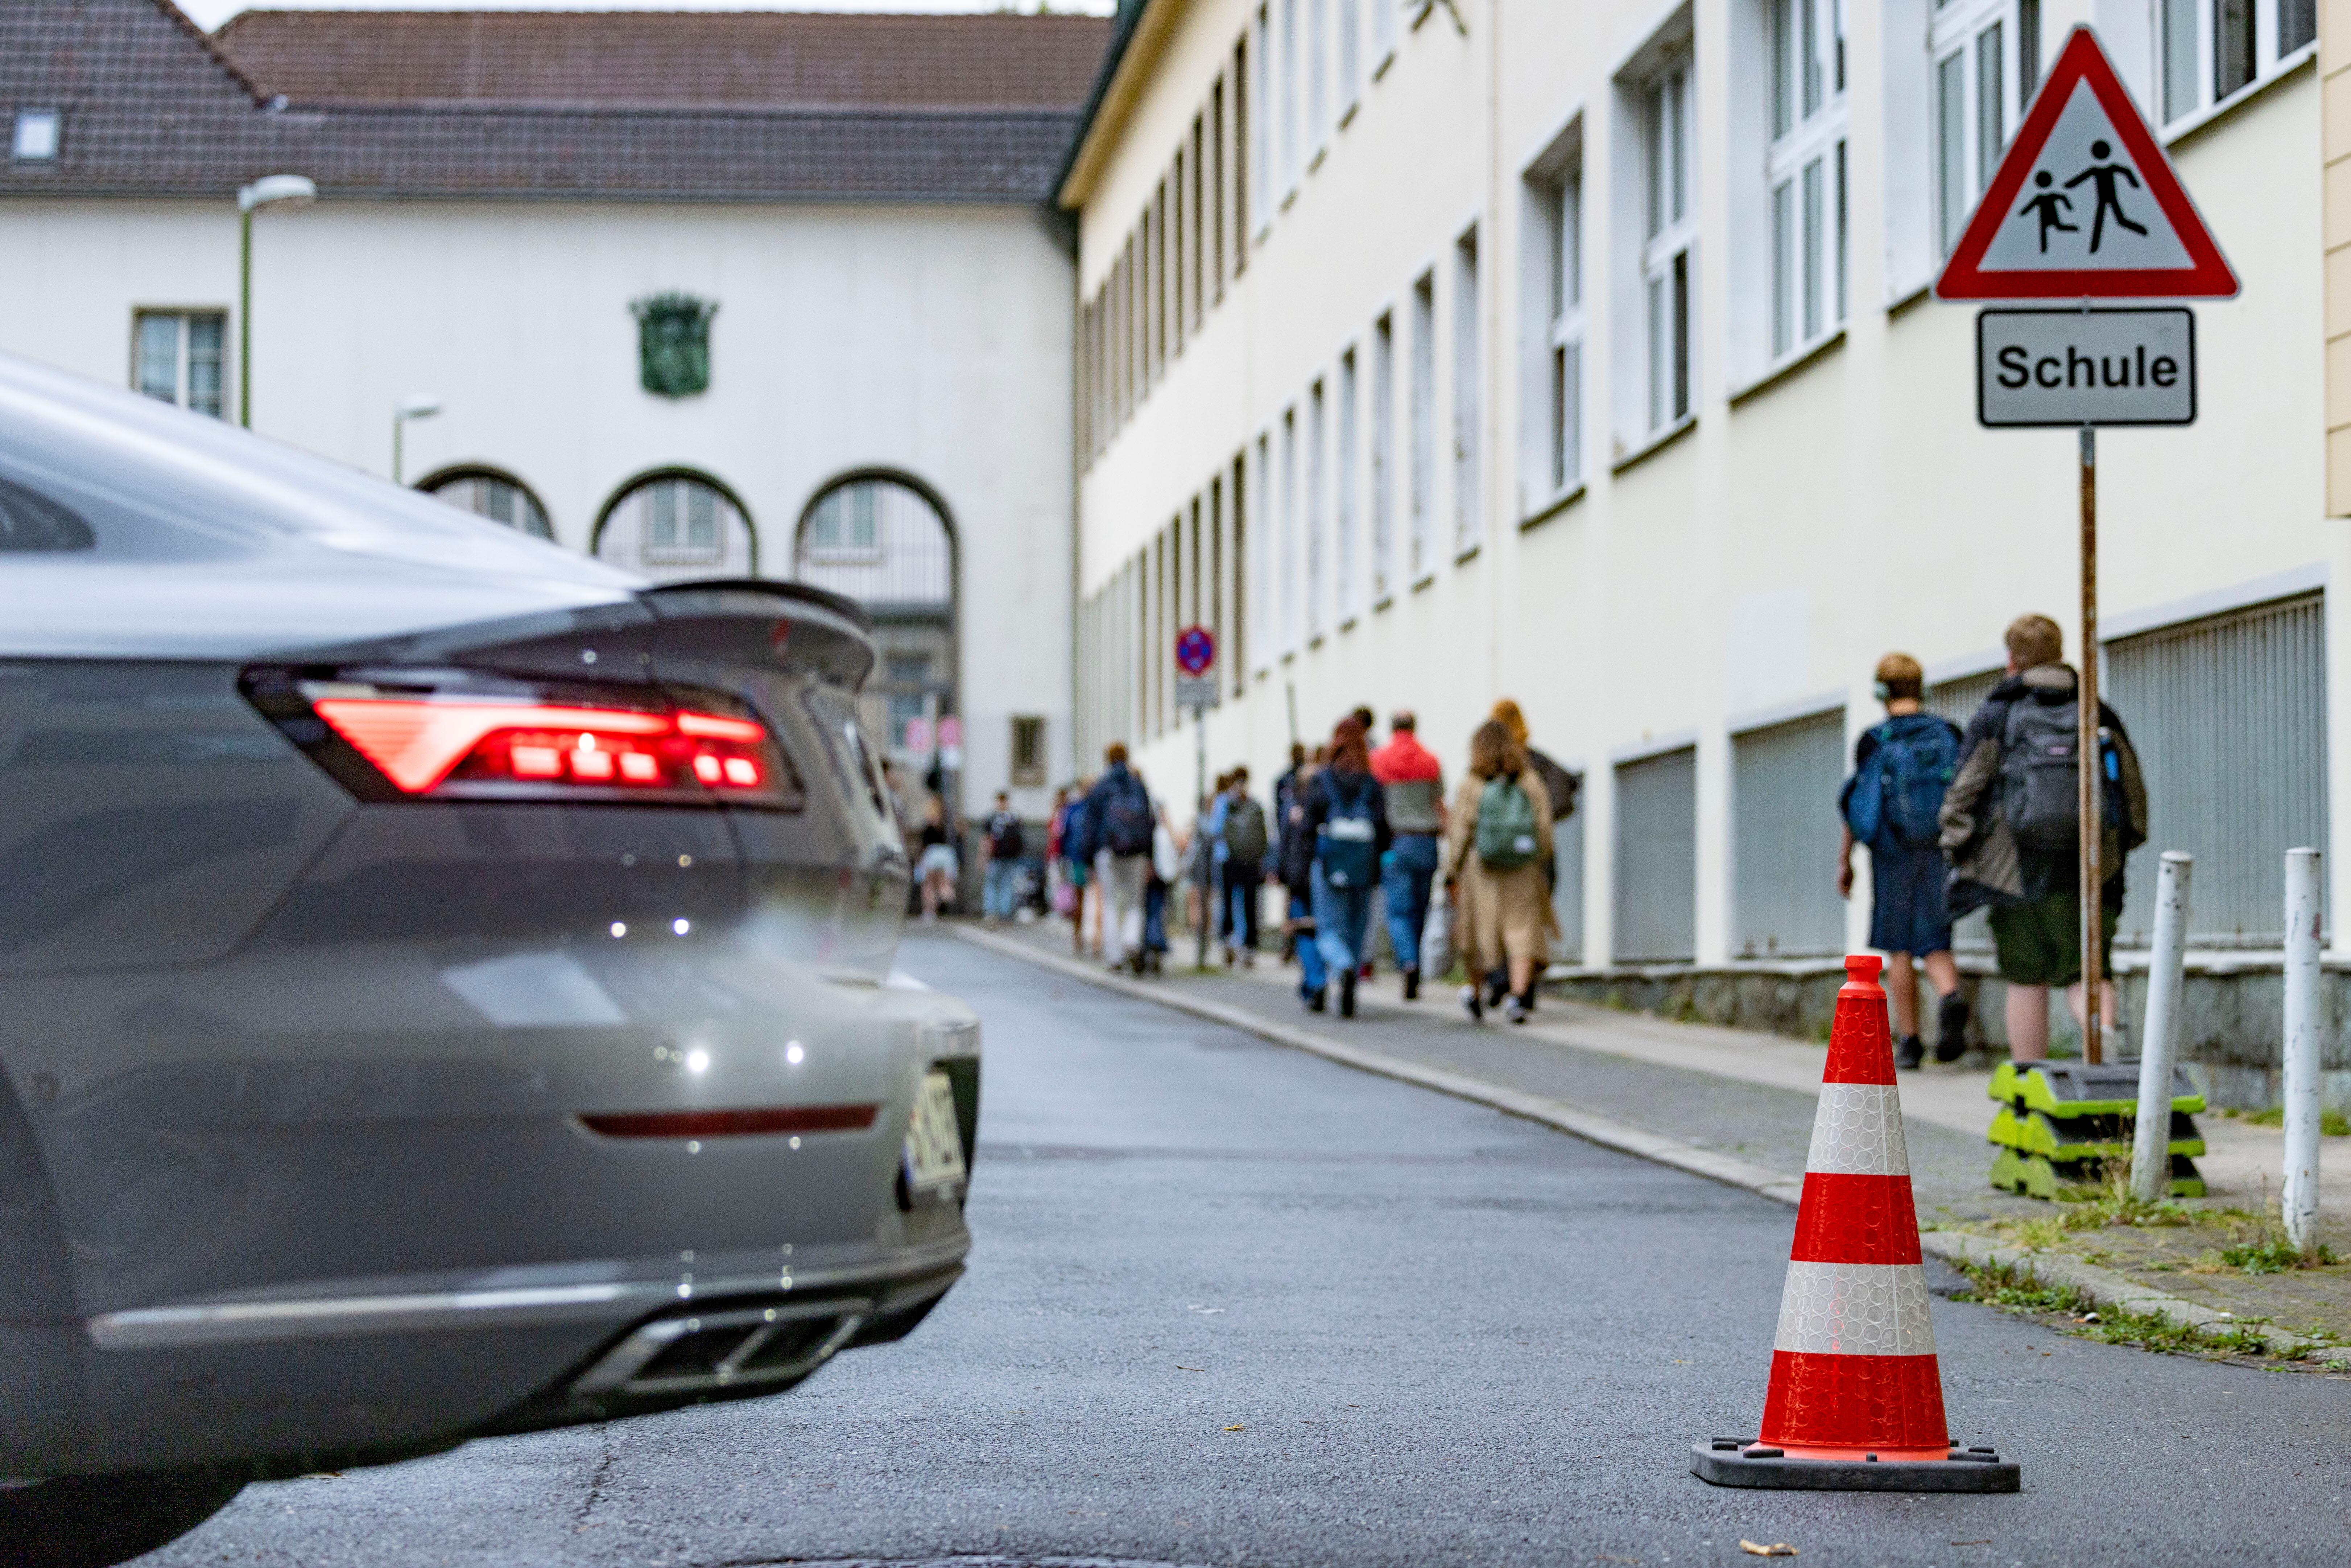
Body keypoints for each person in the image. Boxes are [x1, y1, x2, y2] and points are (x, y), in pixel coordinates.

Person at [1939, 614, 2148, 1063]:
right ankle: (2104, 1041)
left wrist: (1960, 850)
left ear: (2011, 659)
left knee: (2025, 978)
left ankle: (2026, 1079)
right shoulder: (2094, 708)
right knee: (2089, 972)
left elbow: (1963, 790)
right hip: (2087, 870)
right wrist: (2115, 853)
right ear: (2059, 652)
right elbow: (2131, 792)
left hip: (2016, 873)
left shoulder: (1998, 713)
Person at [1838, 654, 1969, 1070]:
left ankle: (1910, 1041)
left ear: (1881, 691)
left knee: (1899, 946)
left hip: (1891, 852)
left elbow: (1857, 805)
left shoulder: (1873, 741)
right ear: (1921, 688)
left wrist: (1845, 860)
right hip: (1938, 848)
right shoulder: (1947, 732)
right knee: (1934, 936)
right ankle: (1950, 994)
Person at [1446, 720, 1556, 1024]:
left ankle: (1476, 991)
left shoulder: (1472, 783)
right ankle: (1518, 997)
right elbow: (1544, 827)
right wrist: (1539, 857)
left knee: (1479, 931)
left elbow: (1459, 830)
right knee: (1522, 929)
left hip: (1481, 868)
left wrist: (1451, 869)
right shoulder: (1528, 780)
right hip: (1522, 866)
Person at [1484, 699, 1578, 1011]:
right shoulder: (1537, 763)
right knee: (1529, 924)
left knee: (1498, 921)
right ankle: (1524, 988)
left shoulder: (1487, 767)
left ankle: (1501, 980)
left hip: (1496, 859)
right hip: (1535, 858)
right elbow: (1567, 790)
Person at [1298, 717, 1392, 1017]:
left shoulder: (1323, 781)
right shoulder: (1372, 784)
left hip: (1328, 865)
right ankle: (1351, 987)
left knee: (1327, 928)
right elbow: (1385, 831)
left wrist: (1301, 865)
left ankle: (1343, 966)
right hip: (1364, 868)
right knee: (1356, 928)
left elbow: (1307, 829)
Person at [1370, 710, 1446, 1001]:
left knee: (1398, 910)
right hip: (1427, 843)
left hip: (1396, 843)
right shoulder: (1431, 761)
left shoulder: (1379, 760)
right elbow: (1439, 803)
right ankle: (1415, 961)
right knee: (1420, 908)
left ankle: (1409, 961)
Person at [1072, 743, 1157, 975]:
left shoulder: (1101, 787)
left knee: (1110, 903)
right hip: (1137, 853)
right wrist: (1151, 856)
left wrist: (1088, 859)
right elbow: (1150, 823)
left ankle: (1115, 955)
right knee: (1134, 901)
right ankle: (1132, 940)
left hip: (1108, 851)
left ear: (1107, 760)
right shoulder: (1138, 785)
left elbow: (1090, 825)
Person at [1277, 744, 1327, 1002]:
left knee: (1304, 930)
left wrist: (1280, 873)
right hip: (1322, 876)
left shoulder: (1292, 809)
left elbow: (1284, 845)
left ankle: (1314, 980)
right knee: (1319, 927)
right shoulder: (1327, 809)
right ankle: (1316, 979)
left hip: (1298, 878)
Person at [1212, 766, 1268, 964]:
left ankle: (1232, 940)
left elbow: (1215, 829)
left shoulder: (1225, 803)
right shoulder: (1253, 805)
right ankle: (1246, 945)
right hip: (1246, 859)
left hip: (1229, 858)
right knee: (1247, 903)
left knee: (1232, 902)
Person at [981, 790, 1026, 927]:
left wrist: (983, 856)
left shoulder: (992, 818)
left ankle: (993, 912)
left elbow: (987, 839)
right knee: (1005, 884)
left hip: (998, 856)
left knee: (993, 884)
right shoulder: (1014, 817)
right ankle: (1002, 912)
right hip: (1008, 856)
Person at [914, 794, 958, 921]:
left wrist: (919, 858)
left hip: (932, 854)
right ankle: (947, 895)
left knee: (929, 885)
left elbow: (923, 843)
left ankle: (929, 912)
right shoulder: (949, 822)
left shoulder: (929, 822)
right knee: (943, 883)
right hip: (947, 854)